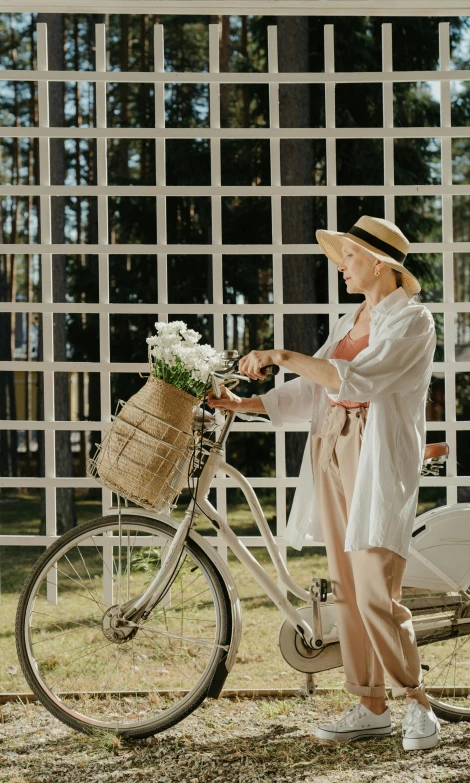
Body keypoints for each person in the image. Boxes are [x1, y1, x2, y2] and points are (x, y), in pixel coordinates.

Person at [207, 215, 440, 751]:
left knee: (377, 590)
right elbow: (316, 392)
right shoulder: (350, 318)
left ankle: (418, 704)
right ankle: (370, 704)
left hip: (374, 452)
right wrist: (248, 403)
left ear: (379, 262)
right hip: (331, 446)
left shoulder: (411, 321)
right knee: (347, 589)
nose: (342, 265)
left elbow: (356, 378)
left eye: (350, 257)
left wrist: (282, 355)